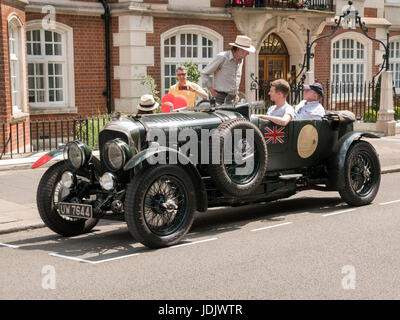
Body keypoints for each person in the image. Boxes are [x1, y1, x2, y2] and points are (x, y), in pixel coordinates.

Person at [201, 35, 255, 105]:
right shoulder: (222, 57)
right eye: (247, 51)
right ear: (239, 49)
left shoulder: (241, 60)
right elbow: (204, 73)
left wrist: (236, 93)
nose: (248, 53)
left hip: (234, 98)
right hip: (220, 98)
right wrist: (212, 91)